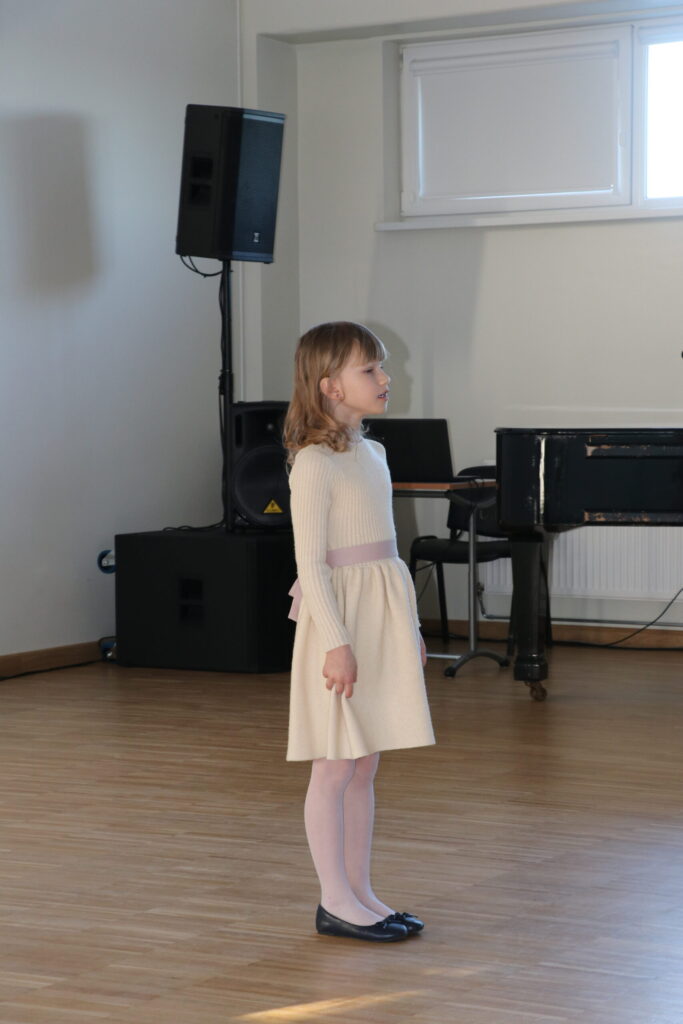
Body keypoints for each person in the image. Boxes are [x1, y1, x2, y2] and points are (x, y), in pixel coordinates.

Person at [282, 321, 435, 943]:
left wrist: (411, 628)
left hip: (379, 615)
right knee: (333, 766)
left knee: (365, 764)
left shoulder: (373, 454)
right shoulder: (314, 463)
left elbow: (388, 555)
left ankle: (362, 892)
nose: (385, 377)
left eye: (381, 366)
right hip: (338, 622)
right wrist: (336, 643)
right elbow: (311, 563)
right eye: (369, 369)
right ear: (330, 386)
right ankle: (334, 901)